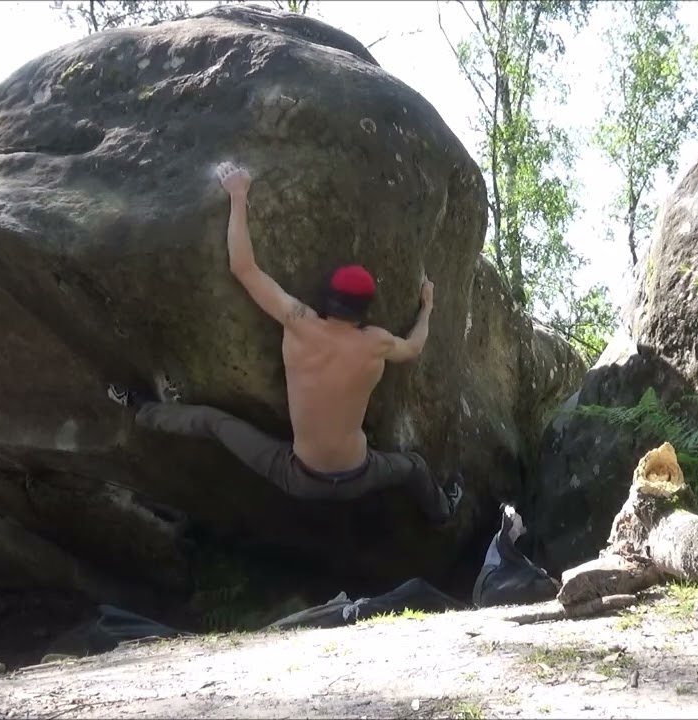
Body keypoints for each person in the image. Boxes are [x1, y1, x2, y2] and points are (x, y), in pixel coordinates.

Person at [107, 161, 463, 524]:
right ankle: (443, 512)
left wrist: (238, 195)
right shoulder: (377, 343)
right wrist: (428, 308)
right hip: (360, 474)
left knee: (213, 423)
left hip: (299, 477)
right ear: (365, 310)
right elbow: (415, 347)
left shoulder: (299, 322)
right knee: (414, 467)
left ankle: (137, 407)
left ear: (327, 299)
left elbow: (243, 268)